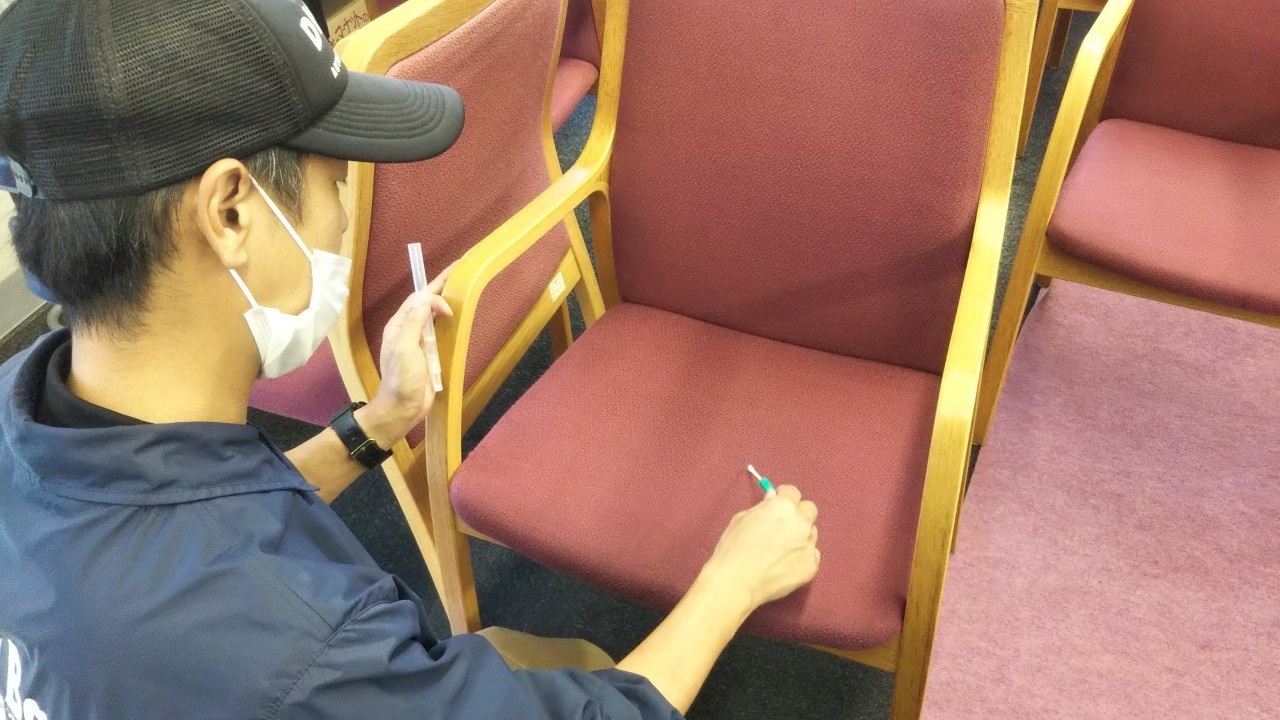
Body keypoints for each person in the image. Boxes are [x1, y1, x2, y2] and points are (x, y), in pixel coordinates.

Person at [0, 1, 821, 718]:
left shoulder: (30, 402)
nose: (340, 221)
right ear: (232, 213)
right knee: (578, 662)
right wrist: (734, 581)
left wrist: (376, 423)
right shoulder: (305, 654)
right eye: (335, 184)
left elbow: (189, 519)